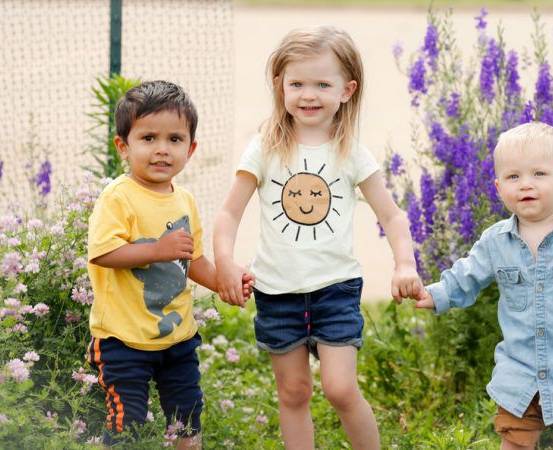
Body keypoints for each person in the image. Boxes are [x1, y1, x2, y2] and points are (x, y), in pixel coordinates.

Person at [214, 26, 421, 449]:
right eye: (298, 84)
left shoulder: (352, 153)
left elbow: (393, 216)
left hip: (335, 290)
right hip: (277, 292)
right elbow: (229, 213)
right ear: (280, 87)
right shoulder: (265, 148)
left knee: (341, 389)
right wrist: (225, 262)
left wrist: (404, 263)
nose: (309, 95)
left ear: (347, 90)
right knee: (294, 393)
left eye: (322, 84)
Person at [414, 122, 553, 450]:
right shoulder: (495, 241)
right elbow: (466, 276)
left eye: (539, 174)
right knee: (514, 442)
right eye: (513, 176)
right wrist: (433, 294)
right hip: (519, 374)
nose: (525, 185)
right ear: (498, 187)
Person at [86, 80, 252, 448]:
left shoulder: (185, 200)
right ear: (123, 147)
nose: (162, 150)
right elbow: (102, 253)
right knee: (124, 426)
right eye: (148, 138)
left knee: (187, 421)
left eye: (174, 140)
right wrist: (157, 250)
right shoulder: (118, 197)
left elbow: (191, 260)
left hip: (177, 339)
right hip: (122, 340)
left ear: (191, 149)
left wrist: (225, 281)